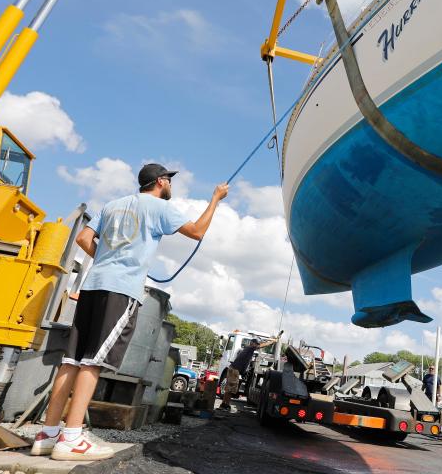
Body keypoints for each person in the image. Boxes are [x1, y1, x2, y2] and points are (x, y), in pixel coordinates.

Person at [31, 163, 228, 461]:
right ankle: (71, 438)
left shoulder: (112, 205)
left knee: (71, 359)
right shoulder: (160, 208)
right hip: (120, 291)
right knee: (92, 363)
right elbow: (197, 232)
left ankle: (47, 436)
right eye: (169, 181)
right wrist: (215, 198)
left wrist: (109, 259)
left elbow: (84, 239)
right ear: (161, 182)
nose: (170, 186)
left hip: (93, 286)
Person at [216, 338, 273, 415]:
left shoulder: (247, 349)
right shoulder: (250, 348)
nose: (257, 345)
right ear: (252, 343)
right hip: (234, 370)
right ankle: (225, 405)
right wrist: (272, 342)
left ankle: (224, 404)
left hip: (232, 369)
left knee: (229, 389)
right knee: (231, 389)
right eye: (256, 344)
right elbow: (261, 346)